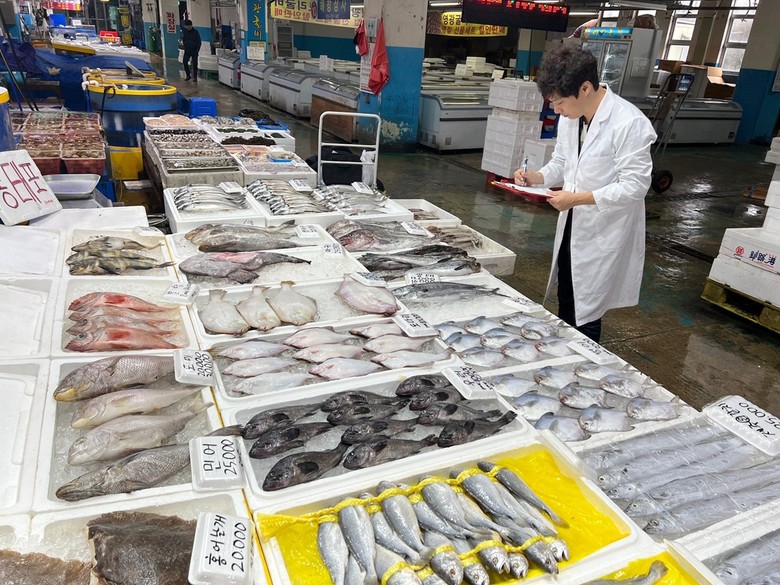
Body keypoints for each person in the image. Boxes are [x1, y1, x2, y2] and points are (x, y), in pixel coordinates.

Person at [514, 45, 657, 343]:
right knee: (568, 293)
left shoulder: (629, 123)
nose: (556, 110)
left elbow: (635, 186)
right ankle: (565, 351)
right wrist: (536, 177)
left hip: (603, 231)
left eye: (559, 101)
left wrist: (576, 199)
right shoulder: (572, 118)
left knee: (588, 310)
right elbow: (563, 162)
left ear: (585, 88)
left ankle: (586, 358)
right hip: (573, 225)